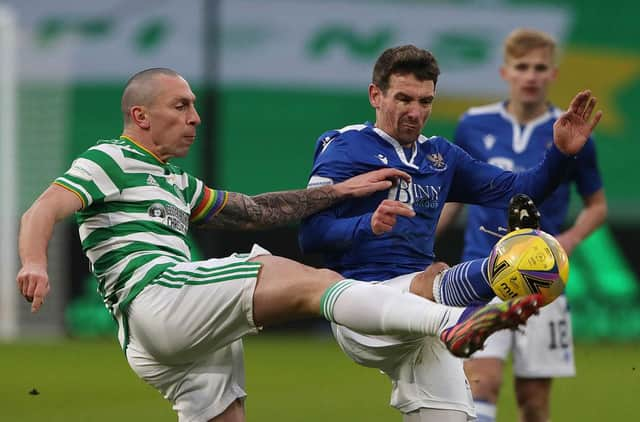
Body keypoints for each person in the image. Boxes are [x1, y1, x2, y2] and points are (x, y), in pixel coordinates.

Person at [16, 68, 543, 422]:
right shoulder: (110, 157)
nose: (195, 117)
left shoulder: (173, 181)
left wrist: (337, 191)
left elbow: (253, 211)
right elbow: (42, 209)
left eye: (195, 106)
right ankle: (450, 322)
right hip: (160, 294)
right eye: (181, 106)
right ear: (141, 116)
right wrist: (34, 261)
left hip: (157, 341)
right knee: (317, 282)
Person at [299, 45, 602, 421]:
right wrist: (367, 224)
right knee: (442, 275)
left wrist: (559, 153)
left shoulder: (440, 157)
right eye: (404, 99)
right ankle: (486, 297)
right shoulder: (342, 146)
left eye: (425, 101)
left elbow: (518, 189)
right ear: (375, 95)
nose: (415, 112)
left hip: (424, 320)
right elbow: (310, 235)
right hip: (363, 307)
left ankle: (480, 307)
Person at [437, 29, 607, 422]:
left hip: (545, 281)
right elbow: (458, 193)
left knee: (533, 401)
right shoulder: (473, 125)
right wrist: (425, 242)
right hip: (483, 271)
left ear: (553, 74)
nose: (530, 75)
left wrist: (568, 239)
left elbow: (596, 206)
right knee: (480, 382)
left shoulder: (572, 130)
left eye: (539, 68)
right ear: (505, 72)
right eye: (522, 67)